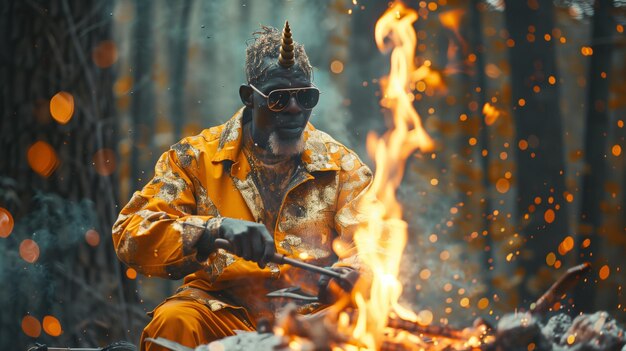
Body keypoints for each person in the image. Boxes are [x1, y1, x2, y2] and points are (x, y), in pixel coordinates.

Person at [112, 22, 372, 350]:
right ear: (250, 98)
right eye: (278, 99)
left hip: (311, 320)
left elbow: (376, 245)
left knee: (359, 329)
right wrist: (210, 231)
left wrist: (352, 272)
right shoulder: (195, 159)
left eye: (305, 97)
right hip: (219, 312)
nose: (295, 109)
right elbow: (131, 235)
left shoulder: (342, 167)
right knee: (172, 323)